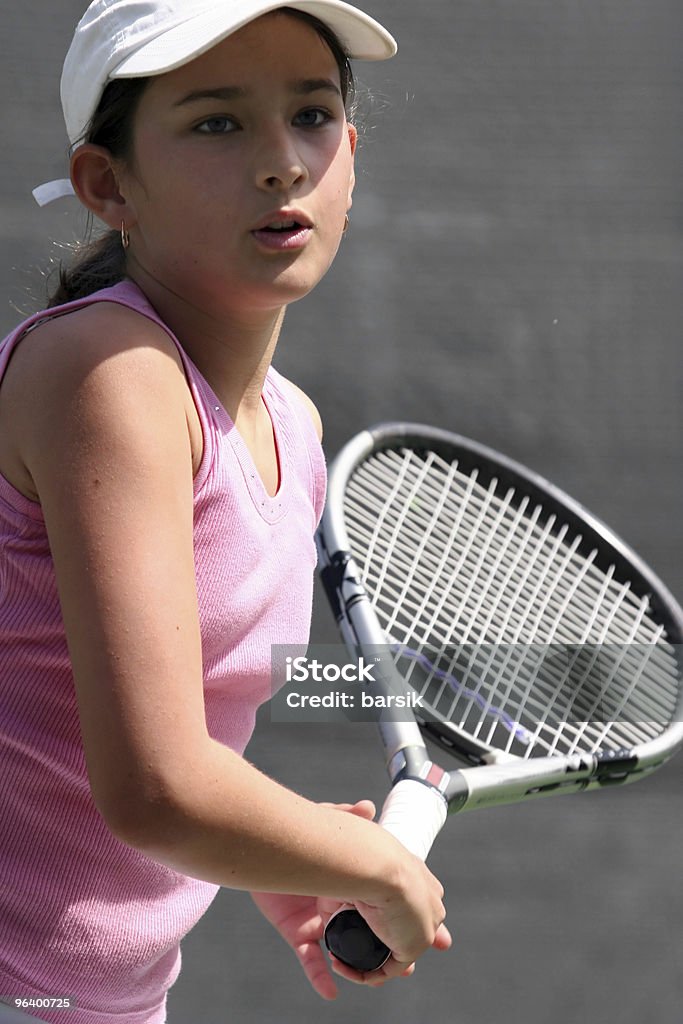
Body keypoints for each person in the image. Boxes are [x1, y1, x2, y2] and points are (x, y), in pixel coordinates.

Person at [0, 2, 451, 1022]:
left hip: (101, 997)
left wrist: (269, 856)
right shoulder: (107, 373)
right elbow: (155, 784)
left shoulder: (293, 424)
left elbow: (171, 726)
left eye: (311, 114)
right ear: (108, 184)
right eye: (215, 123)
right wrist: (360, 855)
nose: (280, 161)